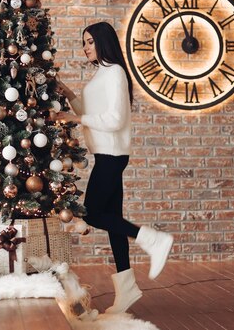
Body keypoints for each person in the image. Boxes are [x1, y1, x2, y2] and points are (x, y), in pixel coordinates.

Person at [55, 22, 174, 314]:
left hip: (112, 155)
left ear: (104, 42)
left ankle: (153, 239)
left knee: (93, 213)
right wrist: (68, 94)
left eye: (90, 42)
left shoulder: (116, 73)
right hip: (105, 154)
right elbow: (90, 111)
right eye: (83, 42)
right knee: (111, 220)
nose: (85, 47)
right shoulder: (102, 74)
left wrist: (71, 117)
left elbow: (115, 119)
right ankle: (127, 288)